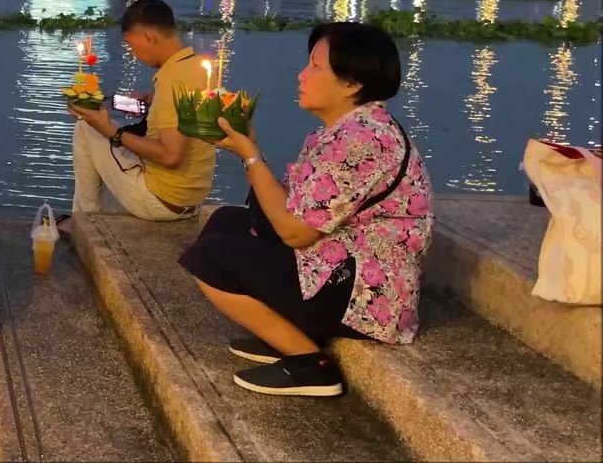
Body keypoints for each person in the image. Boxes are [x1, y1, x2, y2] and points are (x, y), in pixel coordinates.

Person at [178, 22, 434, 398]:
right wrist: (250, 147)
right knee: (227, 222)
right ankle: (287, 334)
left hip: (369, 294)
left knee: (210, 257)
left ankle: (310, 365)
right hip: (345, 263)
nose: (302, 75)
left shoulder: (361, 139)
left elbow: (296, 231)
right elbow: (298, 210)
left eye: (316, 66)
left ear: (351, 84)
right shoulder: (347, 128)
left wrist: (250, 156)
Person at [67, 0, 216, 223]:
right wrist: (154, 102)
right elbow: (186, 113)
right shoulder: (198, 68)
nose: (134, 55)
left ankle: (83, 222)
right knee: (108, 152)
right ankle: (99, 215)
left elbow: (171, 156)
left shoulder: (172, 80)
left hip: (161, 201)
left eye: (131, 45)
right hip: (190, 201)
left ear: (148, 36)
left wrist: (111, 131)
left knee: (86, 127)